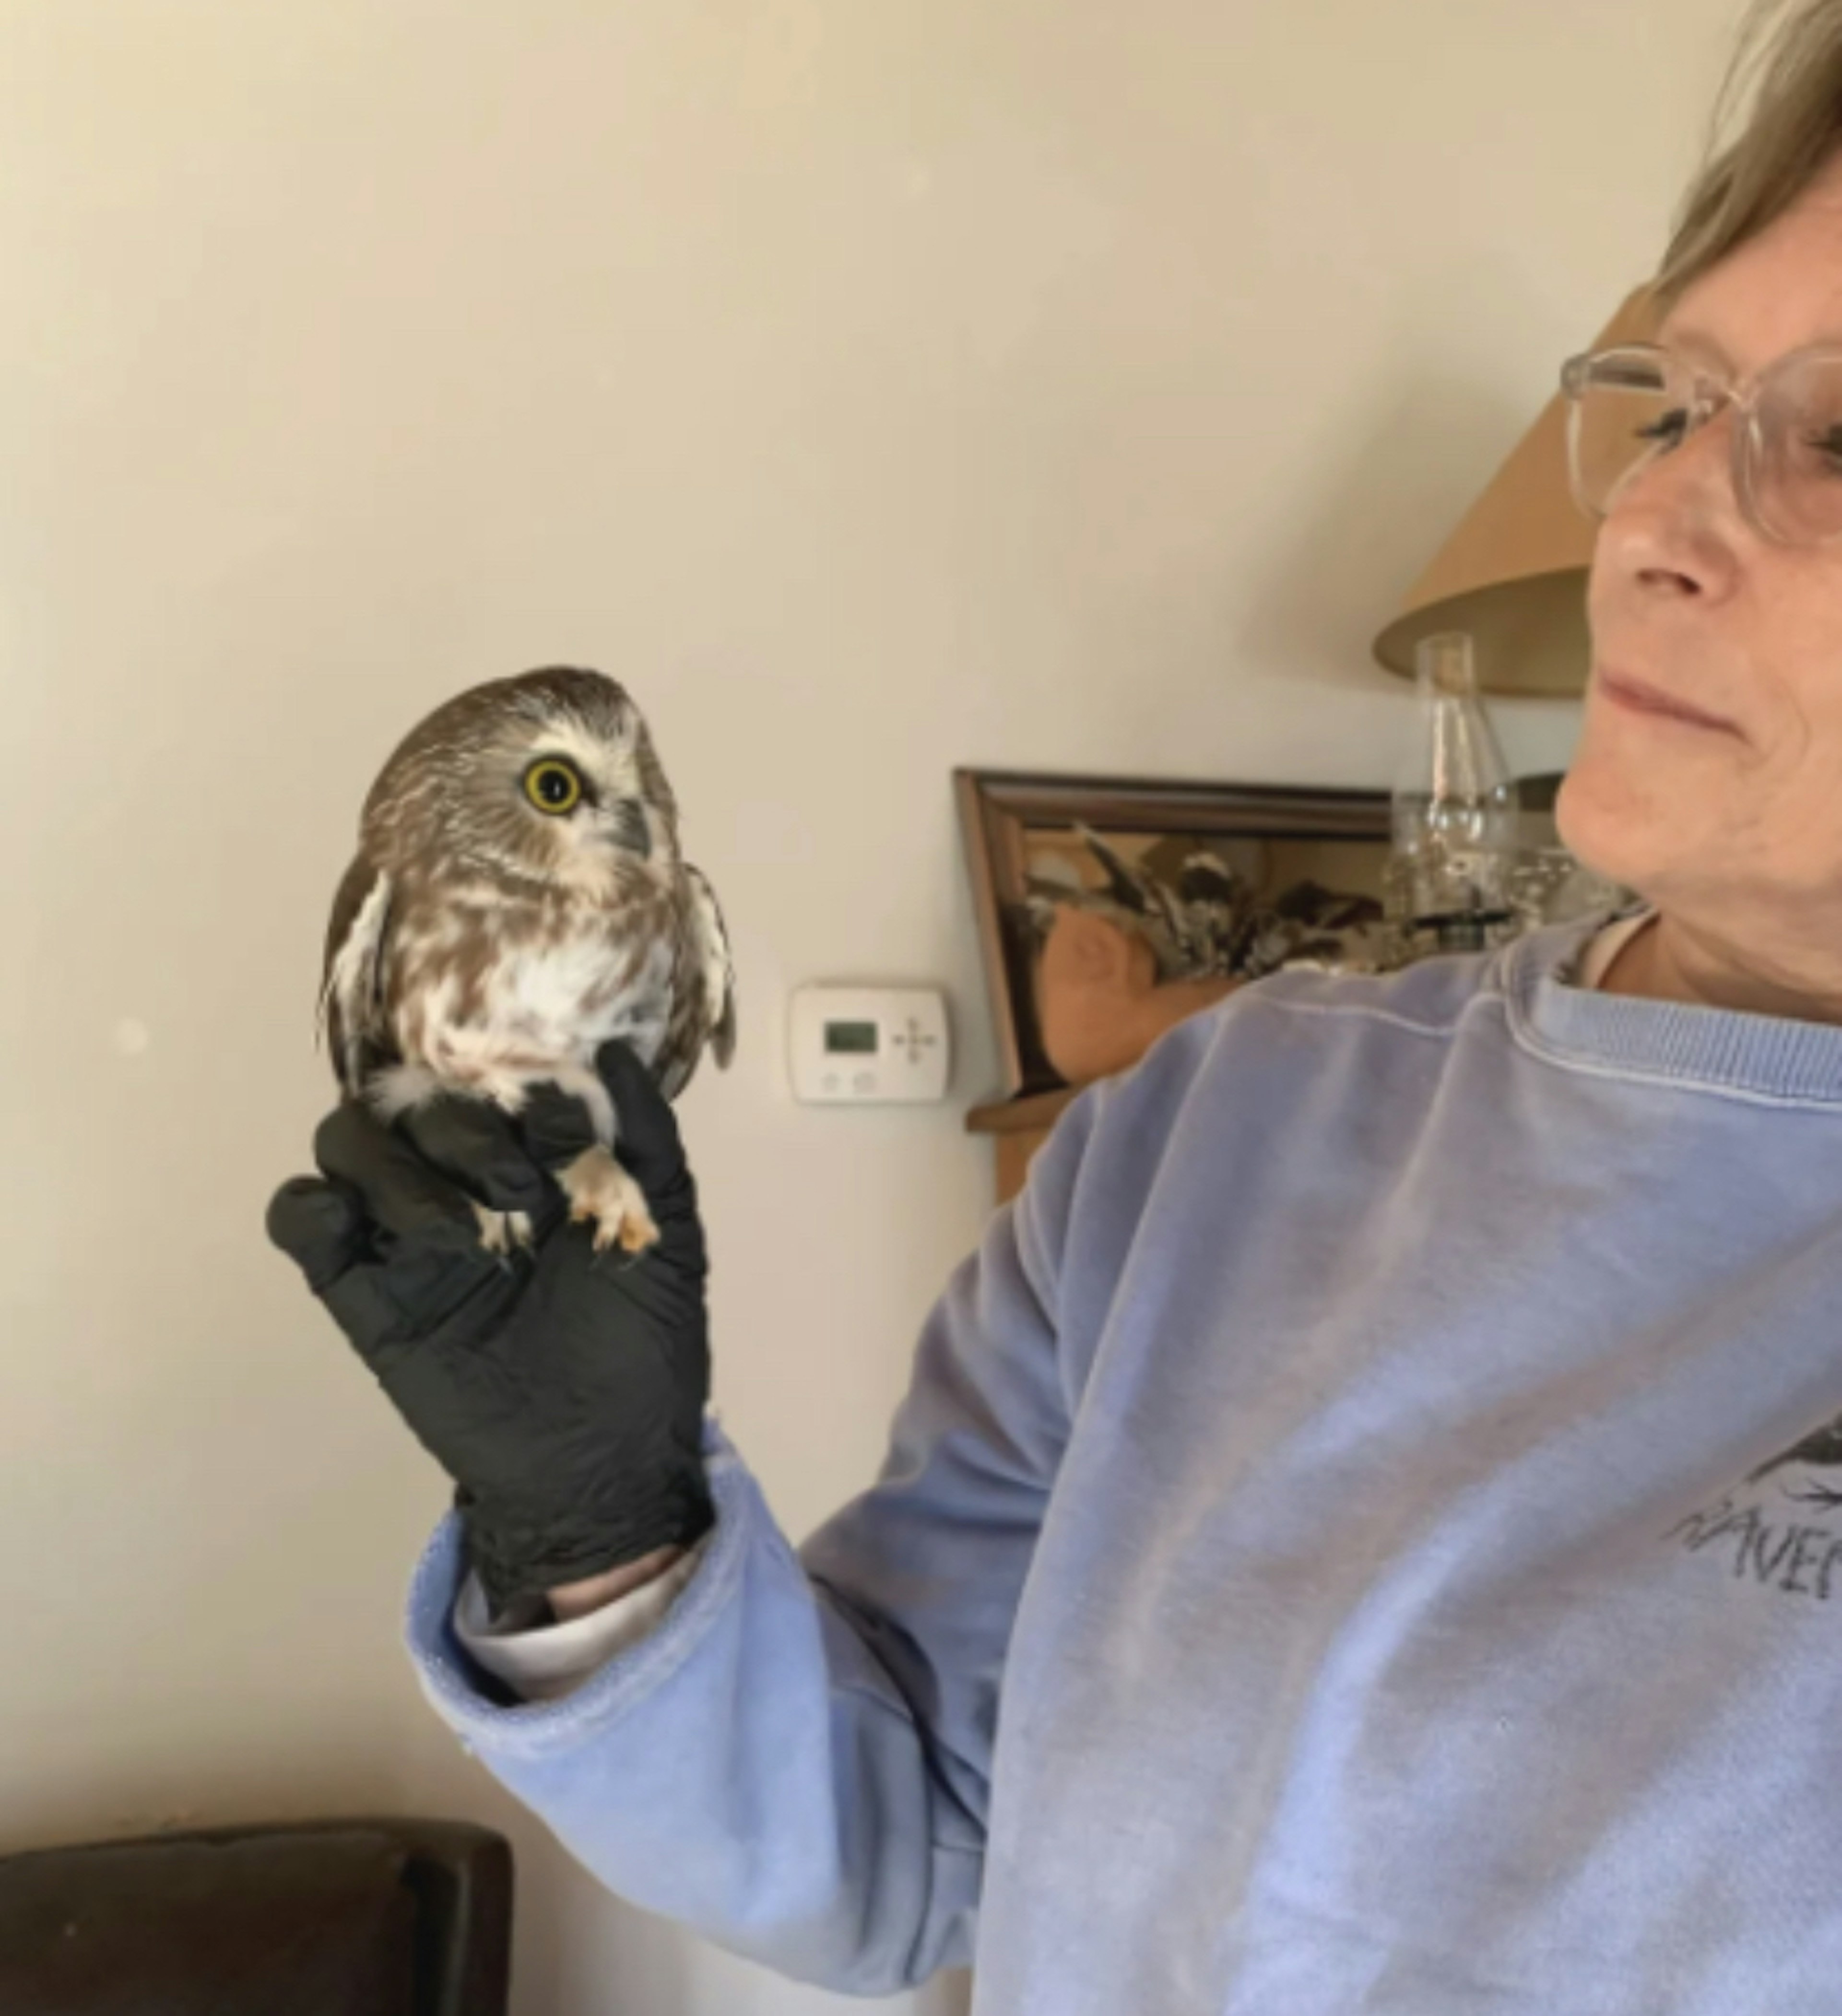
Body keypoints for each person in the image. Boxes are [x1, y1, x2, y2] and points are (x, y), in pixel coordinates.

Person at [267, 3, 1842, 2007]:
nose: (1652, 528)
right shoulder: (1228, 1124)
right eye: (1684, 401)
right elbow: (915, 1843)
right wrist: (605, 1531)